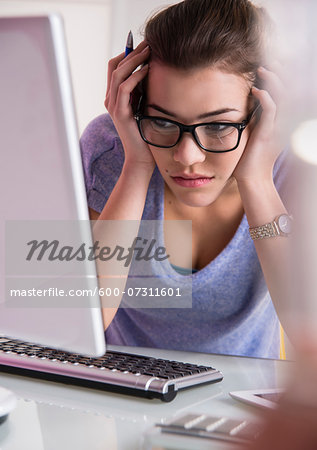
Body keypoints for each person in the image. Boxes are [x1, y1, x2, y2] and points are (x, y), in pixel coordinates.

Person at [80, 0, 291, 359]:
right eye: (163, 121)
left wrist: (257, 180)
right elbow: (80, 326)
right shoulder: (112, 151)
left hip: (239, 406)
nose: (187, 157)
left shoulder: (287, 163)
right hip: (120, 400)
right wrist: (135, 166)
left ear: (259, 115)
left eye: (218, 126)